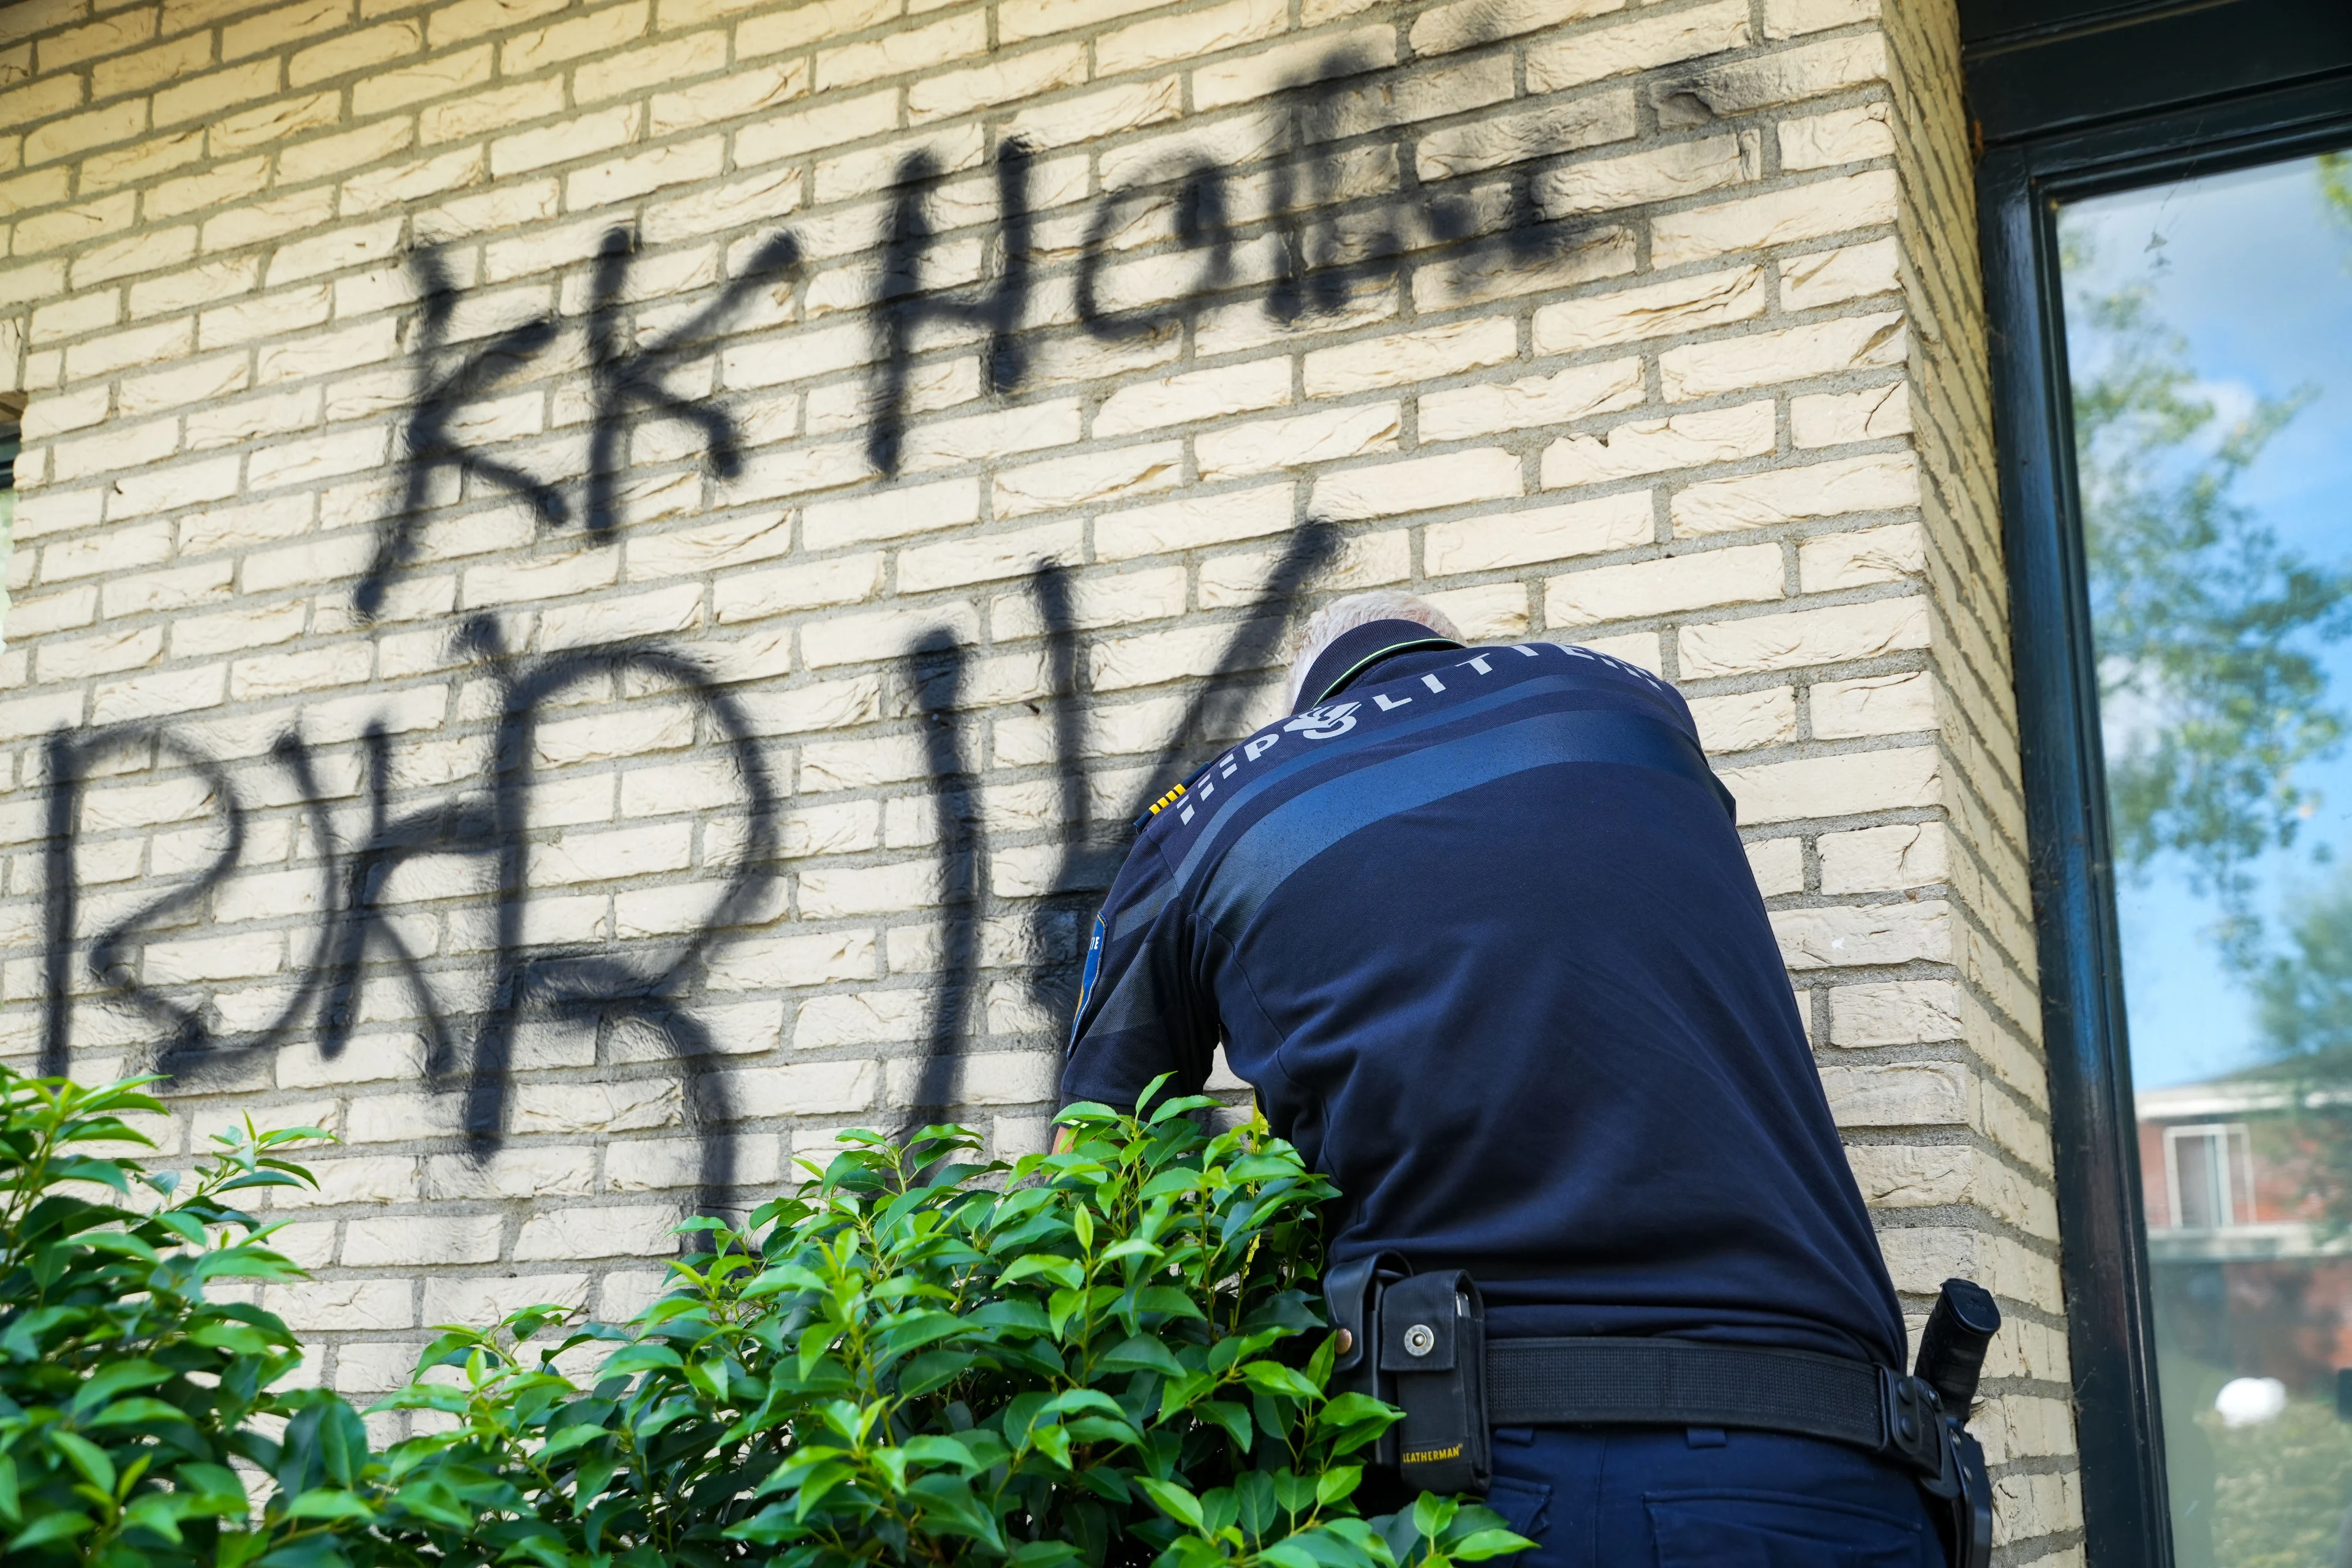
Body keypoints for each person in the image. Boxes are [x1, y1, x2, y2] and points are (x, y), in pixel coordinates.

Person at [1058, 592, 1952, 1567]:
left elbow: (1093, 1177)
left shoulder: (1209, 818)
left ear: (1302, 705)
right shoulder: (1634, 707)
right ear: (1444, 648)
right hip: (1840, 1464)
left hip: (1498, 1490)